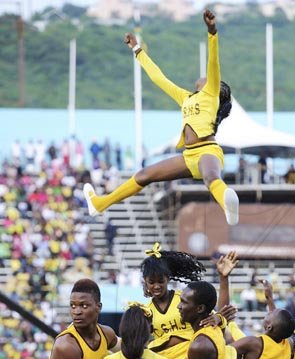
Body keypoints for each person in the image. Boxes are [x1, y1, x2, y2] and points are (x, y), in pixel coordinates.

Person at [83, 9, 239, 226]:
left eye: (209, 78)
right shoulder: (185, 97)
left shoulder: (211, 92)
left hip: (207, 151)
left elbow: (214, 61)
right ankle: (100, 204)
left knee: (211, 178)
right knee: (144, 175)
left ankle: (228, 206)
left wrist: (212, 31)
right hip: (188, 156)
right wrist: (137, 49)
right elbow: (158, 77)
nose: (204, 76)